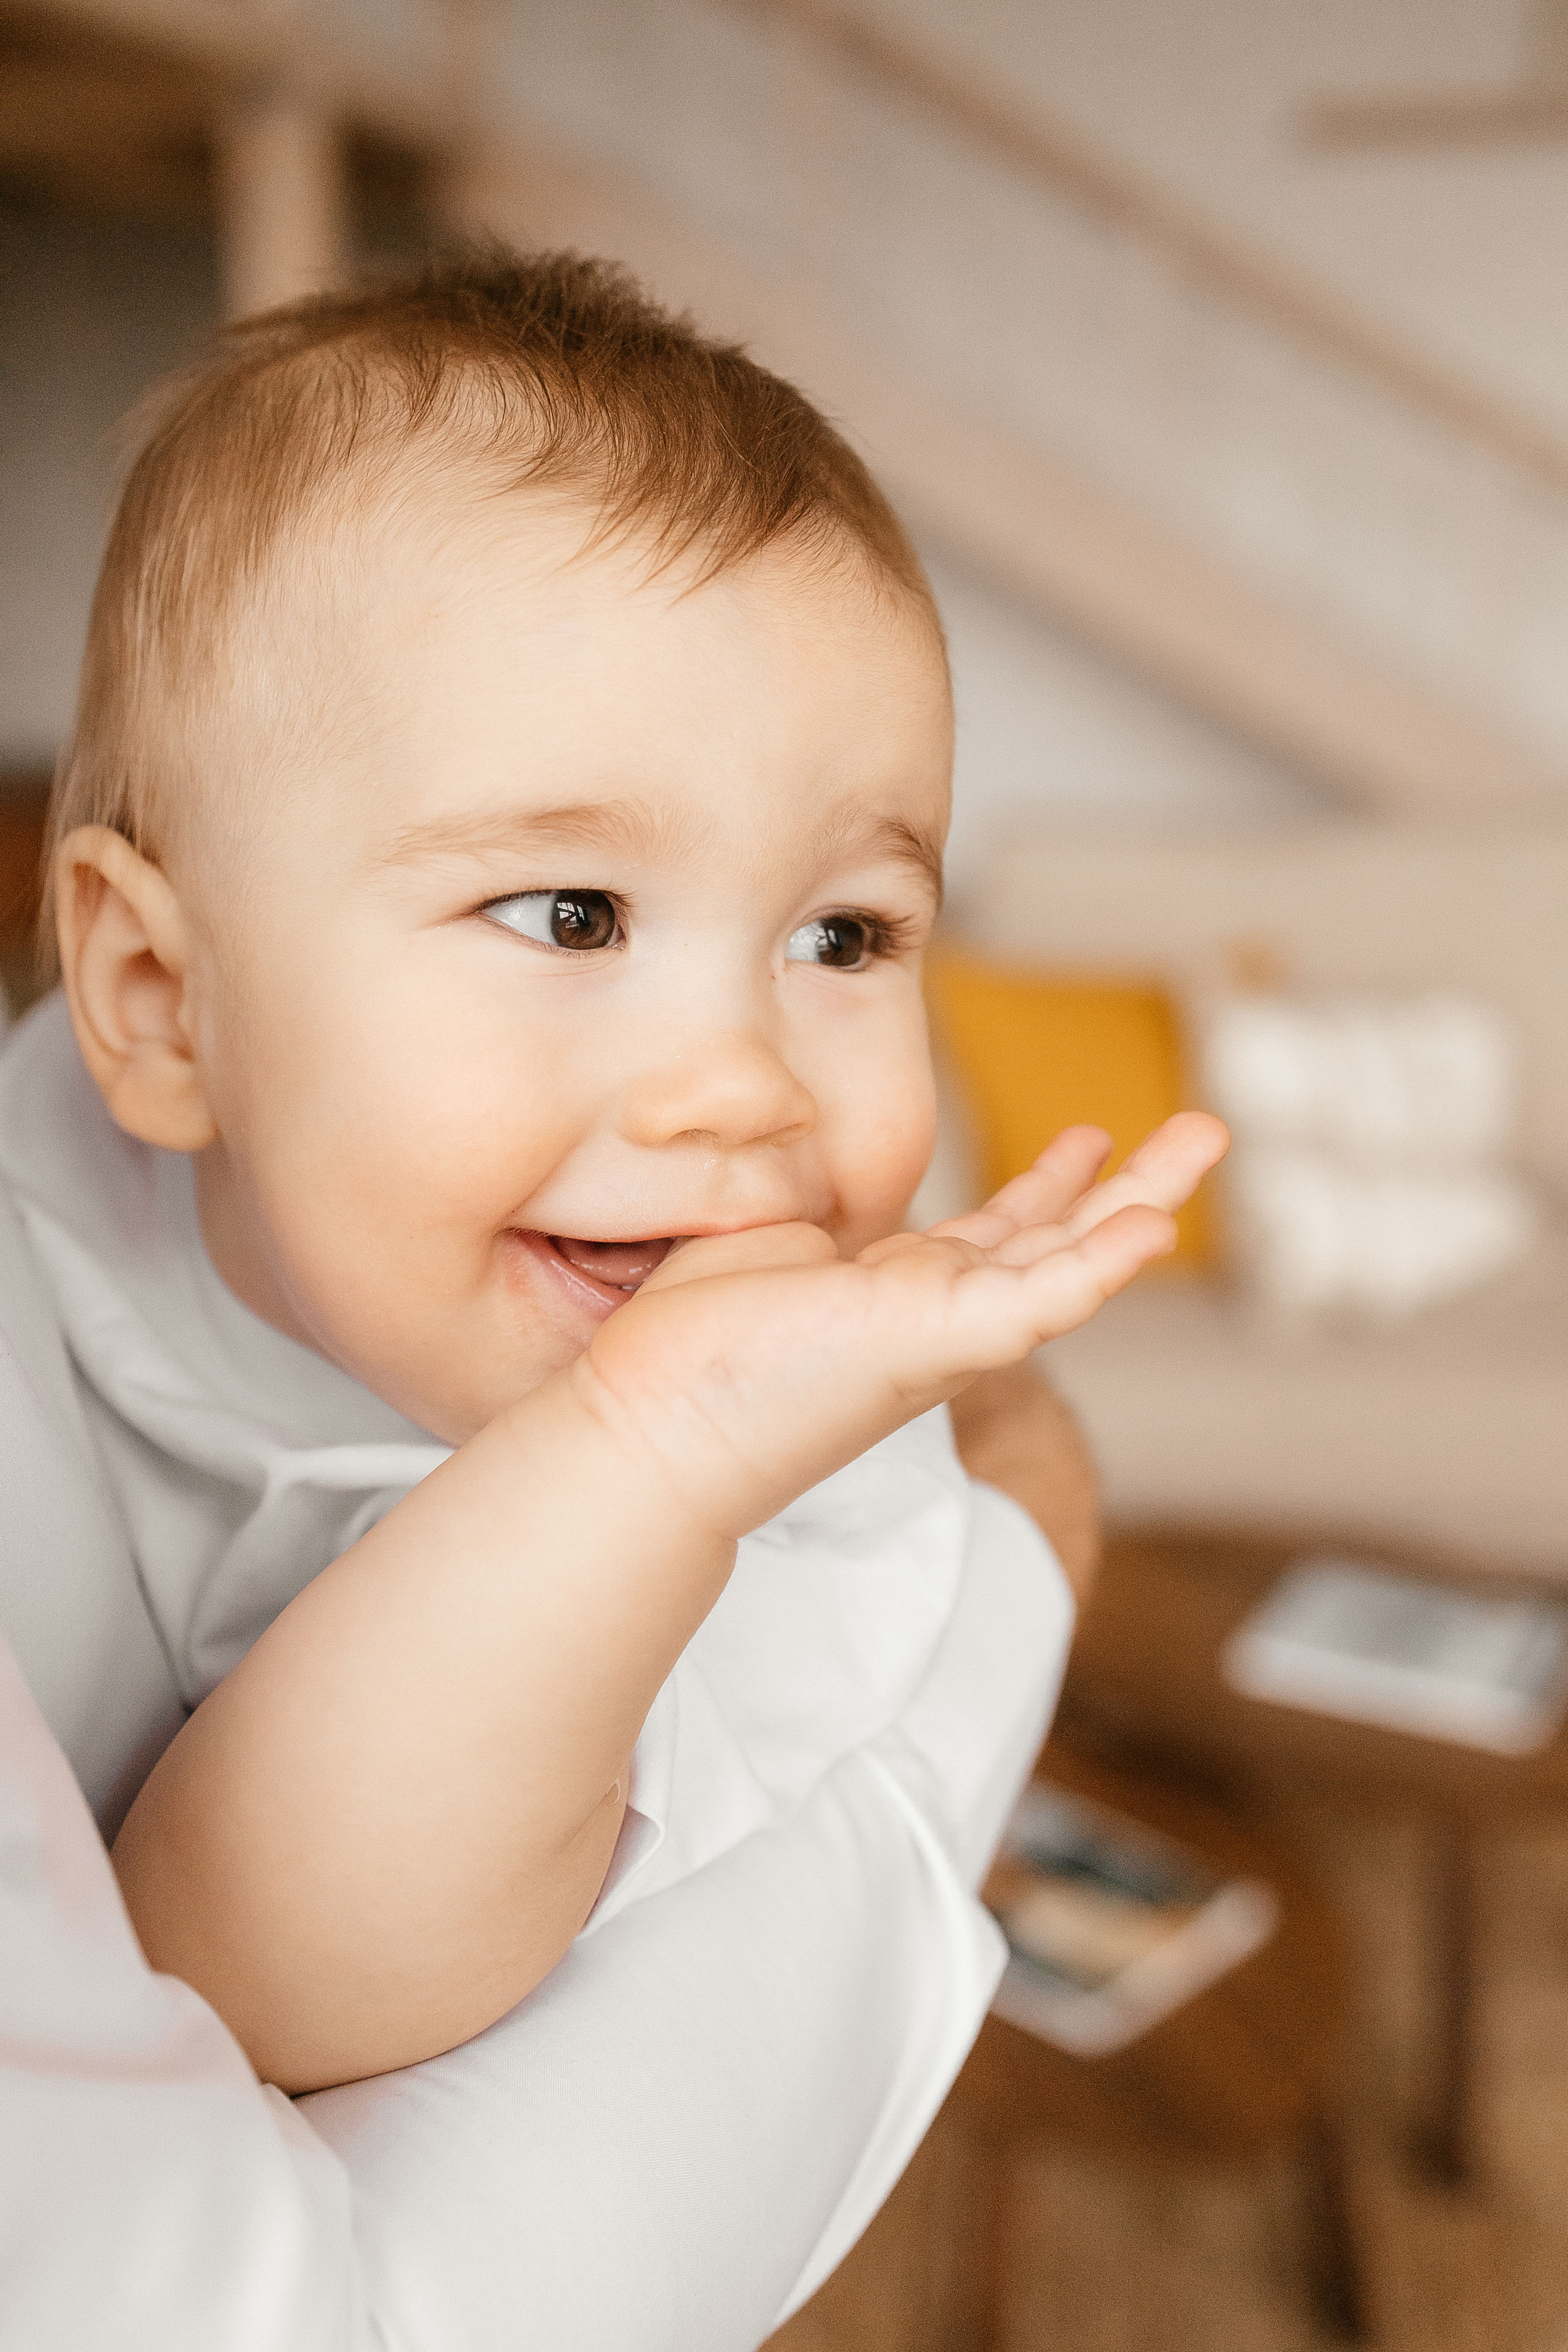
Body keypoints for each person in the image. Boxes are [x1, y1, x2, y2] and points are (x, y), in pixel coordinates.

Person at [0, 249, 1224, 2343]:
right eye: (572, 911)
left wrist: (654, 1459)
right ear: (156, 996)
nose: (744, 1078)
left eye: (845, 936)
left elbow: (244, 1981)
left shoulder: (805, 1482)